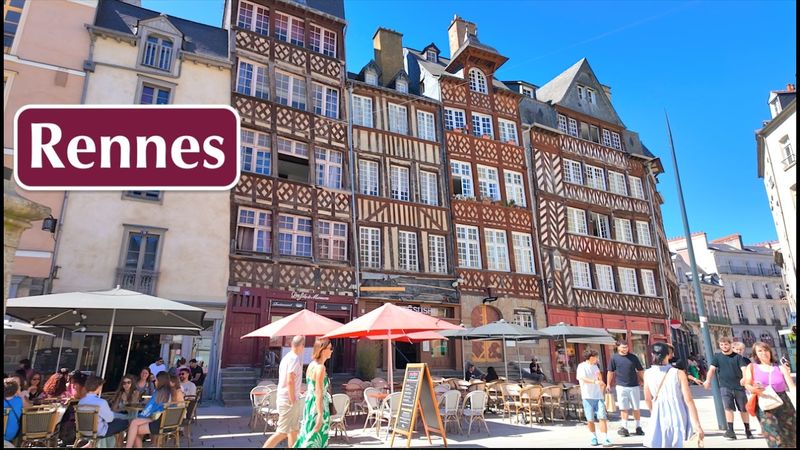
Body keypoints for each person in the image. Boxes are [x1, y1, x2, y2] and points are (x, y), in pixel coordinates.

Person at [643, 343, 703, 448]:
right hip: (678, 411)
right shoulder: (678, 373)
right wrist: (697, 425)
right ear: (668, 355)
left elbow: (647, 398)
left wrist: (653, 412)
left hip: (658, 412)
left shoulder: (647, 373)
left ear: (652, 354)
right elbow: (688, 400)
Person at [742, 341, 796, 448]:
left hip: (784, 403)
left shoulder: (780, 368)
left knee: (791, 436)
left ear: (770, 352)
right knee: (774, 437)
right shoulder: (752, 367)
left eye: (766, 350)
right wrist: (757, 390)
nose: (763, 353)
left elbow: (792, 387)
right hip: (764, 403)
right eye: (760, 351)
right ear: (755, 354)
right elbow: (747, 384)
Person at [702, 336, 753, 439]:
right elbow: (711, 370)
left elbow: (743, 369)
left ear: (730, 345)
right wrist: (707, 380)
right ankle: (731, 431)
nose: (724, 346)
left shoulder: (738, 357)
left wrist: (744, 378)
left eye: (726, 344)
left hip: (739, 387)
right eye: (721, 345)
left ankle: (748, 430)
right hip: (725, 387)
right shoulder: (717, 357)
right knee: (728, 408)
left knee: (743, 409)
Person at [263, 335, 305, 448]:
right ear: (302, 346)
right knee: (282, 432)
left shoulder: (287, 357)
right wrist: (293, 399)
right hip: (288, 400)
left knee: (293, 430)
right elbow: (290, 380)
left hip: (285, 397)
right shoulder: (294, 359)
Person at [293, 337, 333, 448]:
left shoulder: (311, 365)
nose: (331, 351)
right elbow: (319, 392)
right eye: (330, 348)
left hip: (310, 404)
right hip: (318, 406)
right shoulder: (320, 368)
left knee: (307, 434)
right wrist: (320, 414)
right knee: (316, 439)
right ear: (322, 349)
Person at [607, 341, 645, 437]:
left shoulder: (633, 357)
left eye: (626, 347)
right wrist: (608, 384)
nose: (625, 349)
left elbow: (640, 370)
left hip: (634, 385)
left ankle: (638, 427)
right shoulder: (614, 358)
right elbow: (610, 372)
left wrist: (644, 381)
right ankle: (624, 427)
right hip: (621, 386)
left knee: (636, 407)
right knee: (623, 408)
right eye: (623, 347)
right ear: (618, 348)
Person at [125, 372, 172, 448]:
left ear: (161, 381)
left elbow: (149, 409)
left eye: (156, 380)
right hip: (167, 422)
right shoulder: (170, 392)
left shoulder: (158, 393)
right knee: (134, 426)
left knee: (133, 426)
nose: (155, 382)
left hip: (157, 421)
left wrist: (140, 416)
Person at [577, 349, 612, 447]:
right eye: (595, 357)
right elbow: (582, 378)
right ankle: (593, 437)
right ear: (590, 357)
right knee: (590, 419)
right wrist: (595, 382)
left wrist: (601, 382)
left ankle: (605, 438)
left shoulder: (596, 366)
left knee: (602, 417)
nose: (597, 359)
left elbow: (599, 378)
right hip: (587, 396)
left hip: (598, 396)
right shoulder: (581, 366)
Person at [4, 377, 27, 443]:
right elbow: (28, 407)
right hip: (12, 434)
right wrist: (20, 394)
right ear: (16, 390)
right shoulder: (19, 401)